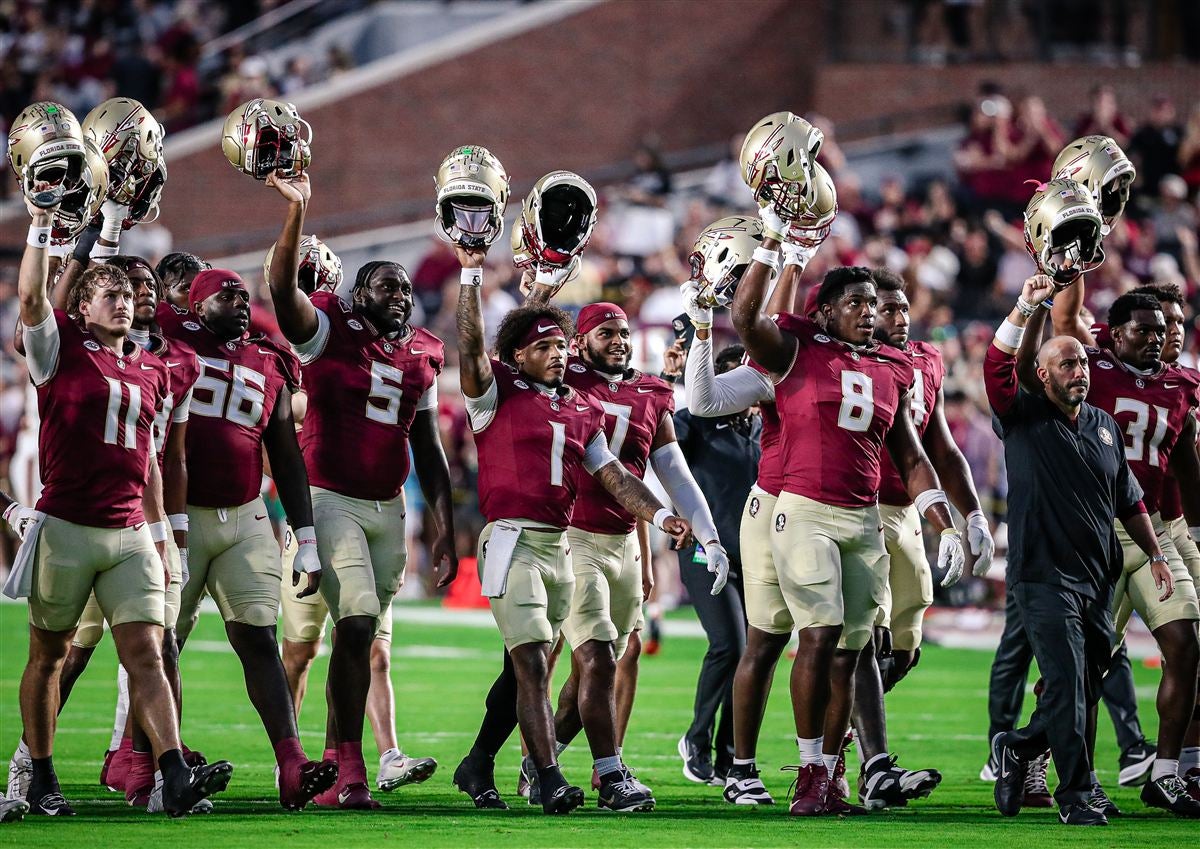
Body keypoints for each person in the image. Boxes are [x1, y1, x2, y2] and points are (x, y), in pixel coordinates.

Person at [730, 204, 966, 816]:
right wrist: (772, 243)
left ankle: (832, 772)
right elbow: (746, 317)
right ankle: (809, 769)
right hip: (803, 509)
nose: (869, 312)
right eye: (856, 303)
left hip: (866, 519)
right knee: (820, 632)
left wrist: (948, 525)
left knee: (854, 652)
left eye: (874, 303)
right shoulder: (797, 349)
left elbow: (913, 458)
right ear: (825, 311)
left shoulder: (892, 367)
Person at [451, 241, 692, 815]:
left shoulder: (580, 407)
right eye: (545, 347)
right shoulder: (495, 395)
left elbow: (614, 475)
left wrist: (659, 516)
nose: (559, 355)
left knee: (523, 668)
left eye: (562, 346)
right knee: (536, 661)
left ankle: (479, 761)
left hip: (560, 544)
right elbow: (472, 347)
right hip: (511, 539)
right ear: (517, 356)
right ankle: (552, 777)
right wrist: (471, 272)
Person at [9, 199, 231, 816]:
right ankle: (41, 774)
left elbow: (156, 459)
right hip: (67, 527)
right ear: (81, 307)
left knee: (150, 653)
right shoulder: (60, 351)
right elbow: (33, 301)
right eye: (107, 294)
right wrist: (42, 227)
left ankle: (170, 772)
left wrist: (163, 531)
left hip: (129, 528)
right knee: (50, 657)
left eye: (127, 295)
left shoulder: (154, 367)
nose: (122, 301)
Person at [263, 171, 456, 809]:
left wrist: (446, 531)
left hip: (388, 506)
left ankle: (328, 766)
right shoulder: (327, 331)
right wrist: (297, 210)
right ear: (357, 293)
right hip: (329, 499)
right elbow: (280, 288)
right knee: (354, 628)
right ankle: (346, 771)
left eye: (404, 287)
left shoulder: (424, 353)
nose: (399, 295)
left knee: (360, 637)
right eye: (384, 285)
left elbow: (428, 447)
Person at [986, 274, 1173, 826]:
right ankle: (1077, 793)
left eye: (1083, 364)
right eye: (1067, 365)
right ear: (1041, 374)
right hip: (1042, 575)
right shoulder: (1022, 414)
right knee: (1067, 682)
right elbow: (1003, 367)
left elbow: (1130, 501)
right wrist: (1032, 306)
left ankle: (1019, 748)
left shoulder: (1105, 427)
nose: (1079, 372)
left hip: (1097, 576)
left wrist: (1157, 554)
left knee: (1085, 685)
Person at [168, 266, 337, 811]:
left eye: (246, 294)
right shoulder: (170, 340)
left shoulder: (267, 358)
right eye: (227, 293)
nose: (241, 300)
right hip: (179, 514)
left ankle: (291, 762)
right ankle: (143, 757)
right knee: (157, 643)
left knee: (259, 641)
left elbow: (286, 455)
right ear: (193, 304)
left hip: (244, 516)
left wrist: (307, 538)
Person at [1050, 281, 1200, 817]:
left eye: (1162, 331)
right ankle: (1066, 769)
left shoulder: (1180, 384)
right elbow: (1064, 319)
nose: (1157, 340)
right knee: (1083, 667)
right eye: (1144, 331)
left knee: (1184, 641)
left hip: (1152, 529)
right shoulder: (1092, 370)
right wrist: (1073, 265)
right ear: (1114, 335)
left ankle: (1165, 774)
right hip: (1094, 533)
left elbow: (1186, 461)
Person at [673, 342, 760, 791]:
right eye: (730, 374)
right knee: (729, 643)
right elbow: (662, 460)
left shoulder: (767, 426)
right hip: (705, 550)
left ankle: (732, 756)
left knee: (751, 654)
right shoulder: (696, 422)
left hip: (759, 554)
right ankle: (697, 740)